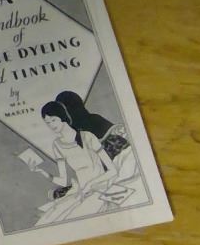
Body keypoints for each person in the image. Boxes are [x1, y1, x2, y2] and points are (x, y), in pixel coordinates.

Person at [32, 90, 135, 226]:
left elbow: (112, 167)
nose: (51, 125)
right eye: (48, 122)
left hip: (99, 183)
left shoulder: (88, 133)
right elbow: (63, 180)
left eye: (53, 120)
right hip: (82, 189)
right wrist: (42, 172)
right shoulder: (57, 144)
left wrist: (89, 184)